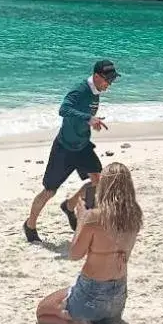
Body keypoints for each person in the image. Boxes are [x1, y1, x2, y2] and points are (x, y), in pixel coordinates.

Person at [36, 162, 142, 324]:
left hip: (91, 296)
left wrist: (81, 220)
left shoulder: (94, 218)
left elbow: (74, 254)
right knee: (63, 298)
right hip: (118, 299)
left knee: (42, 311)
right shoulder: (135, 216)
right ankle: (95, 319)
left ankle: (77, 323)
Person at [24, 60, 120, 243]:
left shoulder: (96, 92)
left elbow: (83, 117)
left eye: (112, 80)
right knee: (49, 191)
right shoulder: (80, 90)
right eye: (108, 80)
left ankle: (70, 206)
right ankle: (30, 225)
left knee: (98, 182)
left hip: (82, 146)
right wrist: (88, 118)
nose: (110, 84)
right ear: (97, 76)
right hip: (64, 148)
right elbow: (64, 109)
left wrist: (92, 122)